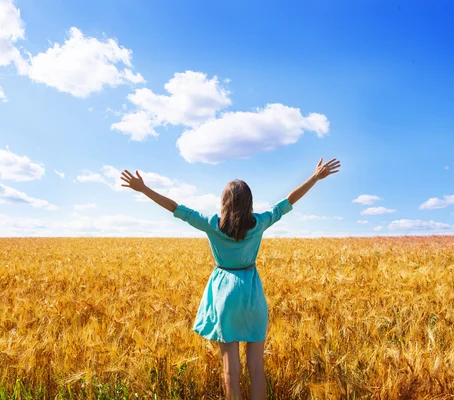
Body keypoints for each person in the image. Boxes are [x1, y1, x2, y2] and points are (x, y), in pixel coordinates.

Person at [120, 157, 341, 400]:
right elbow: (286, 203)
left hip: (224, 294)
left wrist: (143, 189)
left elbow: (176, 209)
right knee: (256, 367)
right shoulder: (260, 223)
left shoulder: (212, 224)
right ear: (250, 203)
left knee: (230, 368)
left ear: (224, 202)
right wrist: (315, 178)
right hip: (251, 294)